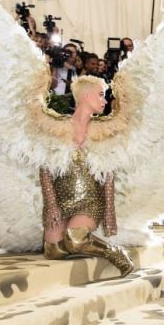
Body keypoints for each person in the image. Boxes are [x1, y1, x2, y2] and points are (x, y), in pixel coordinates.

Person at [38, 76, 134, 276]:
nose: (104, 101)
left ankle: (114, 252)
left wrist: (109, 211)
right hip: (62, 200)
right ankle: (81, 243)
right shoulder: (57, 127)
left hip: (91, 200)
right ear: (87, 96)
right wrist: (51, 205)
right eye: (101, 95)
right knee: (53, 251)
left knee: (75, 239)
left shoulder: (104, 130)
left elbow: (108, 173)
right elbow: (45, 169)